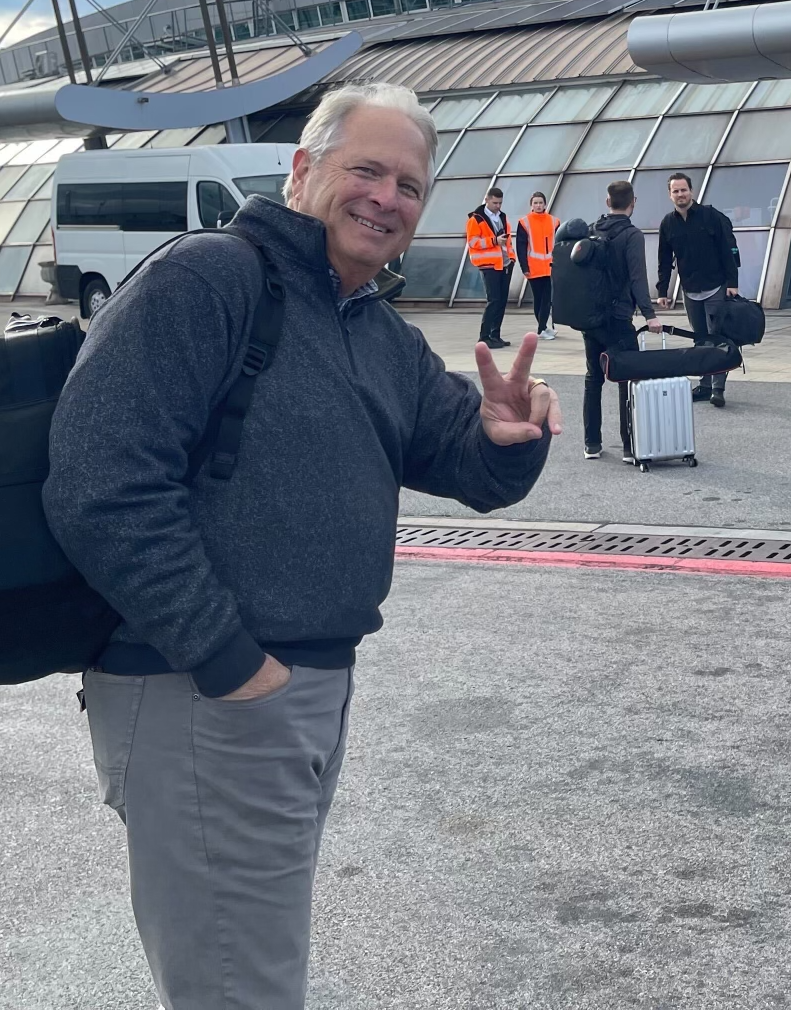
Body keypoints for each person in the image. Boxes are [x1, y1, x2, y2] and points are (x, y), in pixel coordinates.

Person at [44, 82, 559, 1010]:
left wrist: (508, 440)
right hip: (200, 691)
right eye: (365, 168)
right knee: (242, 989)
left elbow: (464, 464)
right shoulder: (211, 279)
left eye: (408, 183)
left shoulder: (369, 324)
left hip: (298, 690)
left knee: (248, 969)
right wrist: (230, 663)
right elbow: (99, 483)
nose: (386, 197)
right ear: (302, 168)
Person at [582, 179, 662, 461]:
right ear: (633, 202)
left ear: (607, 202)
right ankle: (629, 446)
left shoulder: (591, 231)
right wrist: (650, 315)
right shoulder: (632, 235)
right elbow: (638, 279)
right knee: (626, 379)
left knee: (593, 378)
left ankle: (592, 443)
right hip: (618, 318)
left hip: (591, 318)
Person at [654, 170, 741, 407]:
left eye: (684, 190)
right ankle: (704, 384)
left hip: (716, 286)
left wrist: (732, 283)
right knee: (700, 337)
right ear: (670, 195)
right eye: (676, 191)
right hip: (690, 289)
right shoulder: (668, 223)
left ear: (691, 191)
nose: (680, 194)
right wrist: (663, 291)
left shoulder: (711, 216)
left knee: (718, 337)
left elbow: (727, 250)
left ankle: (717, 388)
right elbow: (664, 259)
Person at [465, 186, 513, 349]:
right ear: (486, 200)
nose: (498, 206)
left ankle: (495, 335)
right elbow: (472, 242)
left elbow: (508, 241)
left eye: (500, 203)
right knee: (493, 300)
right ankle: (484, 337)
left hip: (504, 263)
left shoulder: (503, 217)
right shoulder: (476, 219)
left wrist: (511, 259)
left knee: (501, 301)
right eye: (495, 203)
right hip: (488, 264)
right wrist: (493, 241)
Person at [515, 189, 558, 339]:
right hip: (534, 267)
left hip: (550, 267)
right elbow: (520, 247)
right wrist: (524, 267)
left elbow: (559, 244)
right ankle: (542, 329)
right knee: (539, 299)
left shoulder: (554, 221)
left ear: (545, 204)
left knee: (547, 299)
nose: (538, 205)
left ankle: (542, 328)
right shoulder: (524, 222)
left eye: (540, 203)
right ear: (531, 205)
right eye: (535, 203)